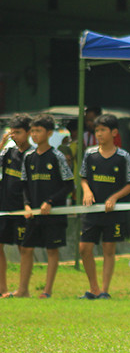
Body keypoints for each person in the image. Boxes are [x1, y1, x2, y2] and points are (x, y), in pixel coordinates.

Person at [79, 114, 130, 299]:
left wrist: (114, 197)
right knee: (84, 248)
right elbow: (83, 178)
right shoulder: (90, 154)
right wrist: (86, 191)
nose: (99, 134)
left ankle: (104, 291)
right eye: (96, 130)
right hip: (91, 211)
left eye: (103, 130)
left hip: (113, 213)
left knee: (108, 249)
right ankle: (93, 288)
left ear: (114, 133)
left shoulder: (123, 156)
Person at [17, 114, 75, 298]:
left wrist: (50, 201)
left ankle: (47, 290)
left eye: (38, 131)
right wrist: (27, 205)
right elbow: (24, 185)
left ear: (49, 133)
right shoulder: (28, 157)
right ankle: (23, 290)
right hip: (33, 214)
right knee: (26, 249)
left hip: (53, 214)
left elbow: (69, 185)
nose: (34, 134)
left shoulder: (57, 156)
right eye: (32, 131)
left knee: (51, 250)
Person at [0, 115, 32, 297]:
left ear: (28, 132)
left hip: (23, 209)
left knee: (24, 249)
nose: (14, 137)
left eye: (18, 133)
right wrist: (1, 145)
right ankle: (2, 288)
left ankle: (23, 290)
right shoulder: (7, 152)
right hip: (4, 207)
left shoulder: (33, 155)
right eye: (12, 133)